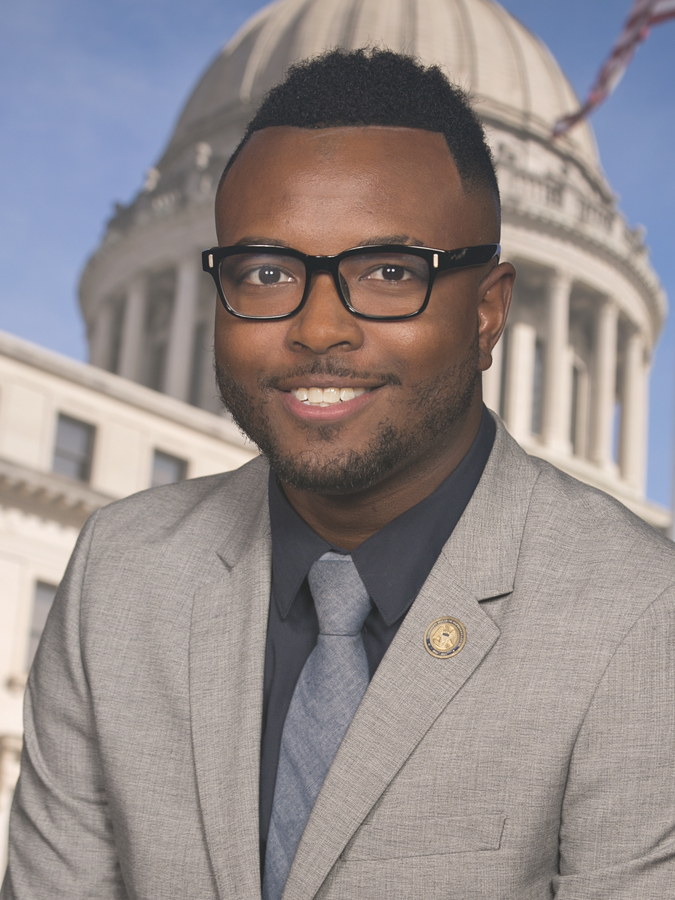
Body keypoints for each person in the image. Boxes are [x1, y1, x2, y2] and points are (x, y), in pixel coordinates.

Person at [3, 48, 675, 900]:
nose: (319, 327)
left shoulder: (640, 612)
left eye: (390, 272)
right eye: (267, 272)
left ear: (488, 312)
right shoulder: (120, 571)